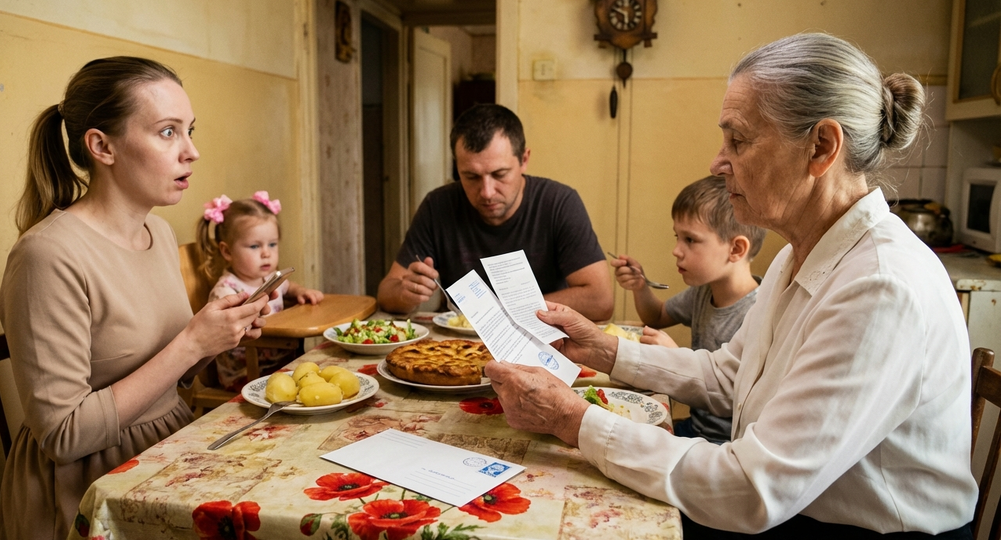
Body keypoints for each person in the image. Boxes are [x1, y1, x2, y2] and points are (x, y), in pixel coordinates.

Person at [485, 33, 976, 538]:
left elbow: (751, 489)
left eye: (737, 140)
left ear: (821, 147)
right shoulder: (799, 252)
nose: (718, 163)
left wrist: (571, 418)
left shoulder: (880, 287)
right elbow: (729, 374)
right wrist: (603, 349)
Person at [0, 57, 273, 540]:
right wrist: (191, 343)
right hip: (90, 492)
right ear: (102, 146)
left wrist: (215, 337)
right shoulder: (46, 256)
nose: (192, 152)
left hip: (168, 456)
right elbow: (64, 436)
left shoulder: (159, 233)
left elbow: (163, 372)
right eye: (168, 132)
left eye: (190, 130)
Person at [376, 104, 613, 321]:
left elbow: (600, 300)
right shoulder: (438, 205)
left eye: (499, 174)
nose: (487, 192)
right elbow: (387, 293)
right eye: (471, 177)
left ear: (524, 160)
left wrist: (502, 309)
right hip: (457, 349)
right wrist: (406, 294)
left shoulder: (559, 203)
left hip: (543, 338)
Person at [609, 175, 766, 443]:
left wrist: (675, 357)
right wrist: (640, 287)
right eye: (677, 237)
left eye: (690, 240)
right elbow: (656, 317)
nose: (676, 251)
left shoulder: (759, 314)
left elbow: (740, 399)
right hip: (694, 431)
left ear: (736, 249)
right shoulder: (703, 292)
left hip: (725, 446)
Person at [196, 191, 324, 390]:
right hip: (247, 373)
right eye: (255, 246)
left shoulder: (270, 278)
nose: (266, 253)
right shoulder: (226, 292)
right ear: (227, 251)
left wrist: (301, 292)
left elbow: (288, 287)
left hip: (282, 364)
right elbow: (225, 333)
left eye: (272, 244)